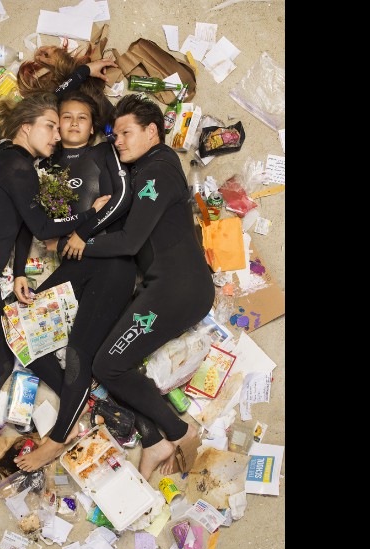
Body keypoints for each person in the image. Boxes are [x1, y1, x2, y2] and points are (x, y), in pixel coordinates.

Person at [0, 92, 109, 489]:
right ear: (25, 127)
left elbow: (22, 225)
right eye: (50, 126)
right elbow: (46, 227)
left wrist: (17, 273)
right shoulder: (17, 166)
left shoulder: (7, 159)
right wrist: (90, 213)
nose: (57, 135)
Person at [66, 94, 215, 480]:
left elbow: (131, 242)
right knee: (110, 359)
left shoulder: (157, 170)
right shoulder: (149, 171)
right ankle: (155, 440)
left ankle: (181, 432)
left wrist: (83, 243)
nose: (118, 141)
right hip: (168, 288)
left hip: (177, 290)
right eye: (114, 135)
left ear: (153, 132)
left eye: (126, 133)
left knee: (108, 365)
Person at [9, 92, 138, 472]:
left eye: (83, 117)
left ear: (93, 125)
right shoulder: (40, 163)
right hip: (76, 263)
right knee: (14, 320)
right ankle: (78, 394)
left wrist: (83, 230)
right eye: (67, 117)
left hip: (112, 260)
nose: (75, 123)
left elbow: (123, 198)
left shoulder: (104, 153)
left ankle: (59, 435)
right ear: (54, 123)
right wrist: (19, 270)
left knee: (81, 346)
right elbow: (24, 222)